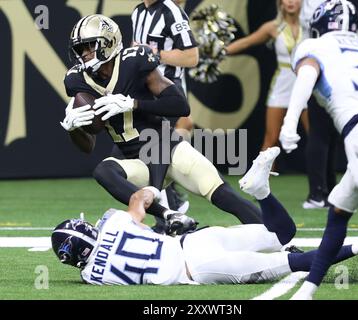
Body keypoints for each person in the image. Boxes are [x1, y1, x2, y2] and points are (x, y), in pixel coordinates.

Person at [51, 147, 358, 285]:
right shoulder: (112, 222)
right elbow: (138, 201)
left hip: (195, 270)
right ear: (87, 230)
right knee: (282, 235)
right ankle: (262, 192)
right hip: (194, 245)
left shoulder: (91, 278)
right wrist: (156, 198)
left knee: (293, 263)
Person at [61, 15, 263, 235]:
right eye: (80, 49)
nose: (84, 54)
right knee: (103, 171)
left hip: (167, 149)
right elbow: (88, 145)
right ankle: (169, 214)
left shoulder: (134, 62)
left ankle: (283, 241)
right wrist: (73, 129)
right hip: (134, 161)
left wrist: (133, 103)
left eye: (89, 46)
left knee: (223, 195)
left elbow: (180, 106)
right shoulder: (77, 80)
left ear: (109, 42)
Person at [279, 0, 358, 299]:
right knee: (339, 209)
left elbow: (307, 76)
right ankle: (308, 290)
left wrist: (289, 125)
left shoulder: (315, 46)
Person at [127, 0, 198, 221]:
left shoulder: (171, 11)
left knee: (150, 149)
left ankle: (167, 215)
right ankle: (171, 205)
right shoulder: (138, 11)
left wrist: (155, 55)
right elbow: (134, 49)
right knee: (137, 151)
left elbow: (191, 56)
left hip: (166, 91)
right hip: (142, 90)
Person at [226, 0, 309, 153]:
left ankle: (321, 176)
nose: (290, 2)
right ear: (280, 3)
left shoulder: (311, 27)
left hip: (306, 86)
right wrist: (218, 51)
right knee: (271, 139)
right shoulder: (273, 27)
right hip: (281, 86)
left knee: (315, 136)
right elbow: (246, 42)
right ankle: (262, 176)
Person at [300, 0, 339, 209]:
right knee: (324, 134)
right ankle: (322, 191)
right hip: (327, 63)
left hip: (328, 64)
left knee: (325, 134)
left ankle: (325, 191)